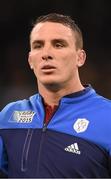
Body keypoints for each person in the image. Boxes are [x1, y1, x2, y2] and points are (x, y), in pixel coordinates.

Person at [0, 13, 111, 178]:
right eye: (38, 45)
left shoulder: (107, 117)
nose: (46, 53)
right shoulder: (9, 116)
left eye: (58, 45)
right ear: (30, 60)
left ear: (80, 58)